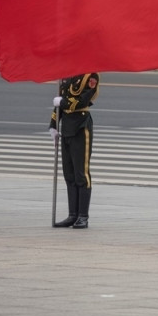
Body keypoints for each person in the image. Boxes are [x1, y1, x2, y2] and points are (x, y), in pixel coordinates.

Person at [50, 73, 100, 229]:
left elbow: (83, 100)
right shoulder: (66, 75)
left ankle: (83, 216)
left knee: (81, 173)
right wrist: (53, 125)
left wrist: (63, 102)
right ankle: (73, 215)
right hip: (66, 127)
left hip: (80, 126)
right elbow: (58, 105)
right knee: (69, 173)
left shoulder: (90, 76)